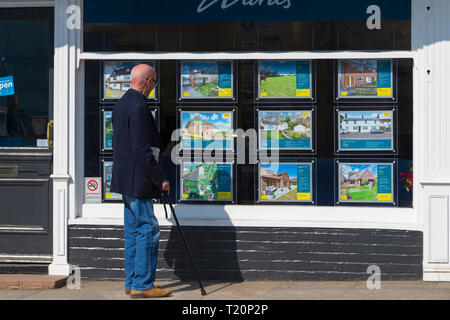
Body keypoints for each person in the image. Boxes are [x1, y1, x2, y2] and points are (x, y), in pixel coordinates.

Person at [111, 64, 172, 298]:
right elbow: (141, 150)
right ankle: (143, 284)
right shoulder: (138, 107)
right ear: (147, 81)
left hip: (127, 179)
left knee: (134, 231)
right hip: (140, 180)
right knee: (148, 229)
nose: (153, 88)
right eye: (154, 83)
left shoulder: (122, 104)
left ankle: (133, 281)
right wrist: (160, 178)